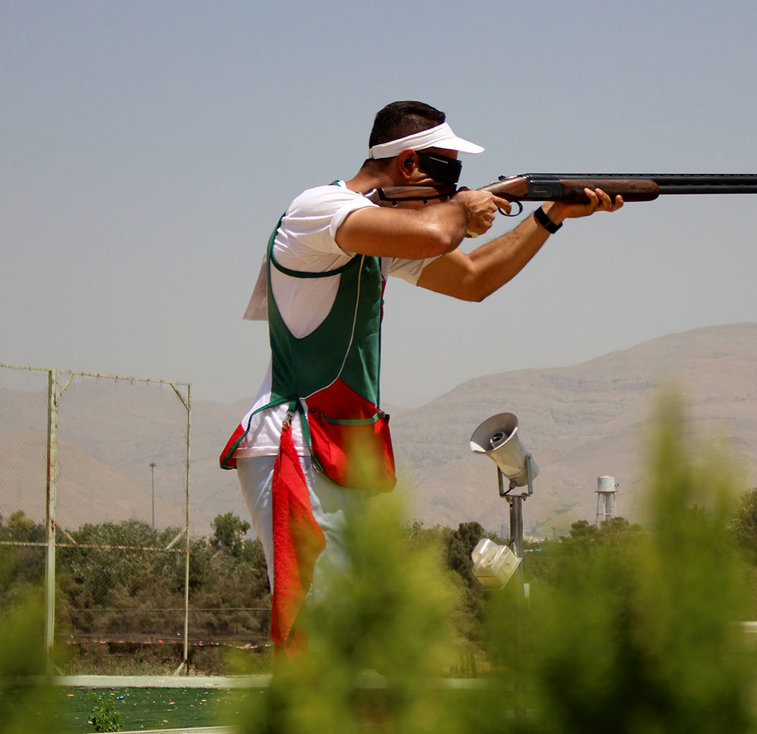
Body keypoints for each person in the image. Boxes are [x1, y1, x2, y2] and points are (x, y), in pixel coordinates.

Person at [220, 101, 622, 658]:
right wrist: (462, 208)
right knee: (320, 626)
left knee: (348, 631)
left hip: (335, 449)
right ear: (409, 165)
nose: (455, 185)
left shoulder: (373, 237)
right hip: (299, 444)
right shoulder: (322, 208)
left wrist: (549, 216)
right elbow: (436, 236)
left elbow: (476, 278)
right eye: (448, 171)